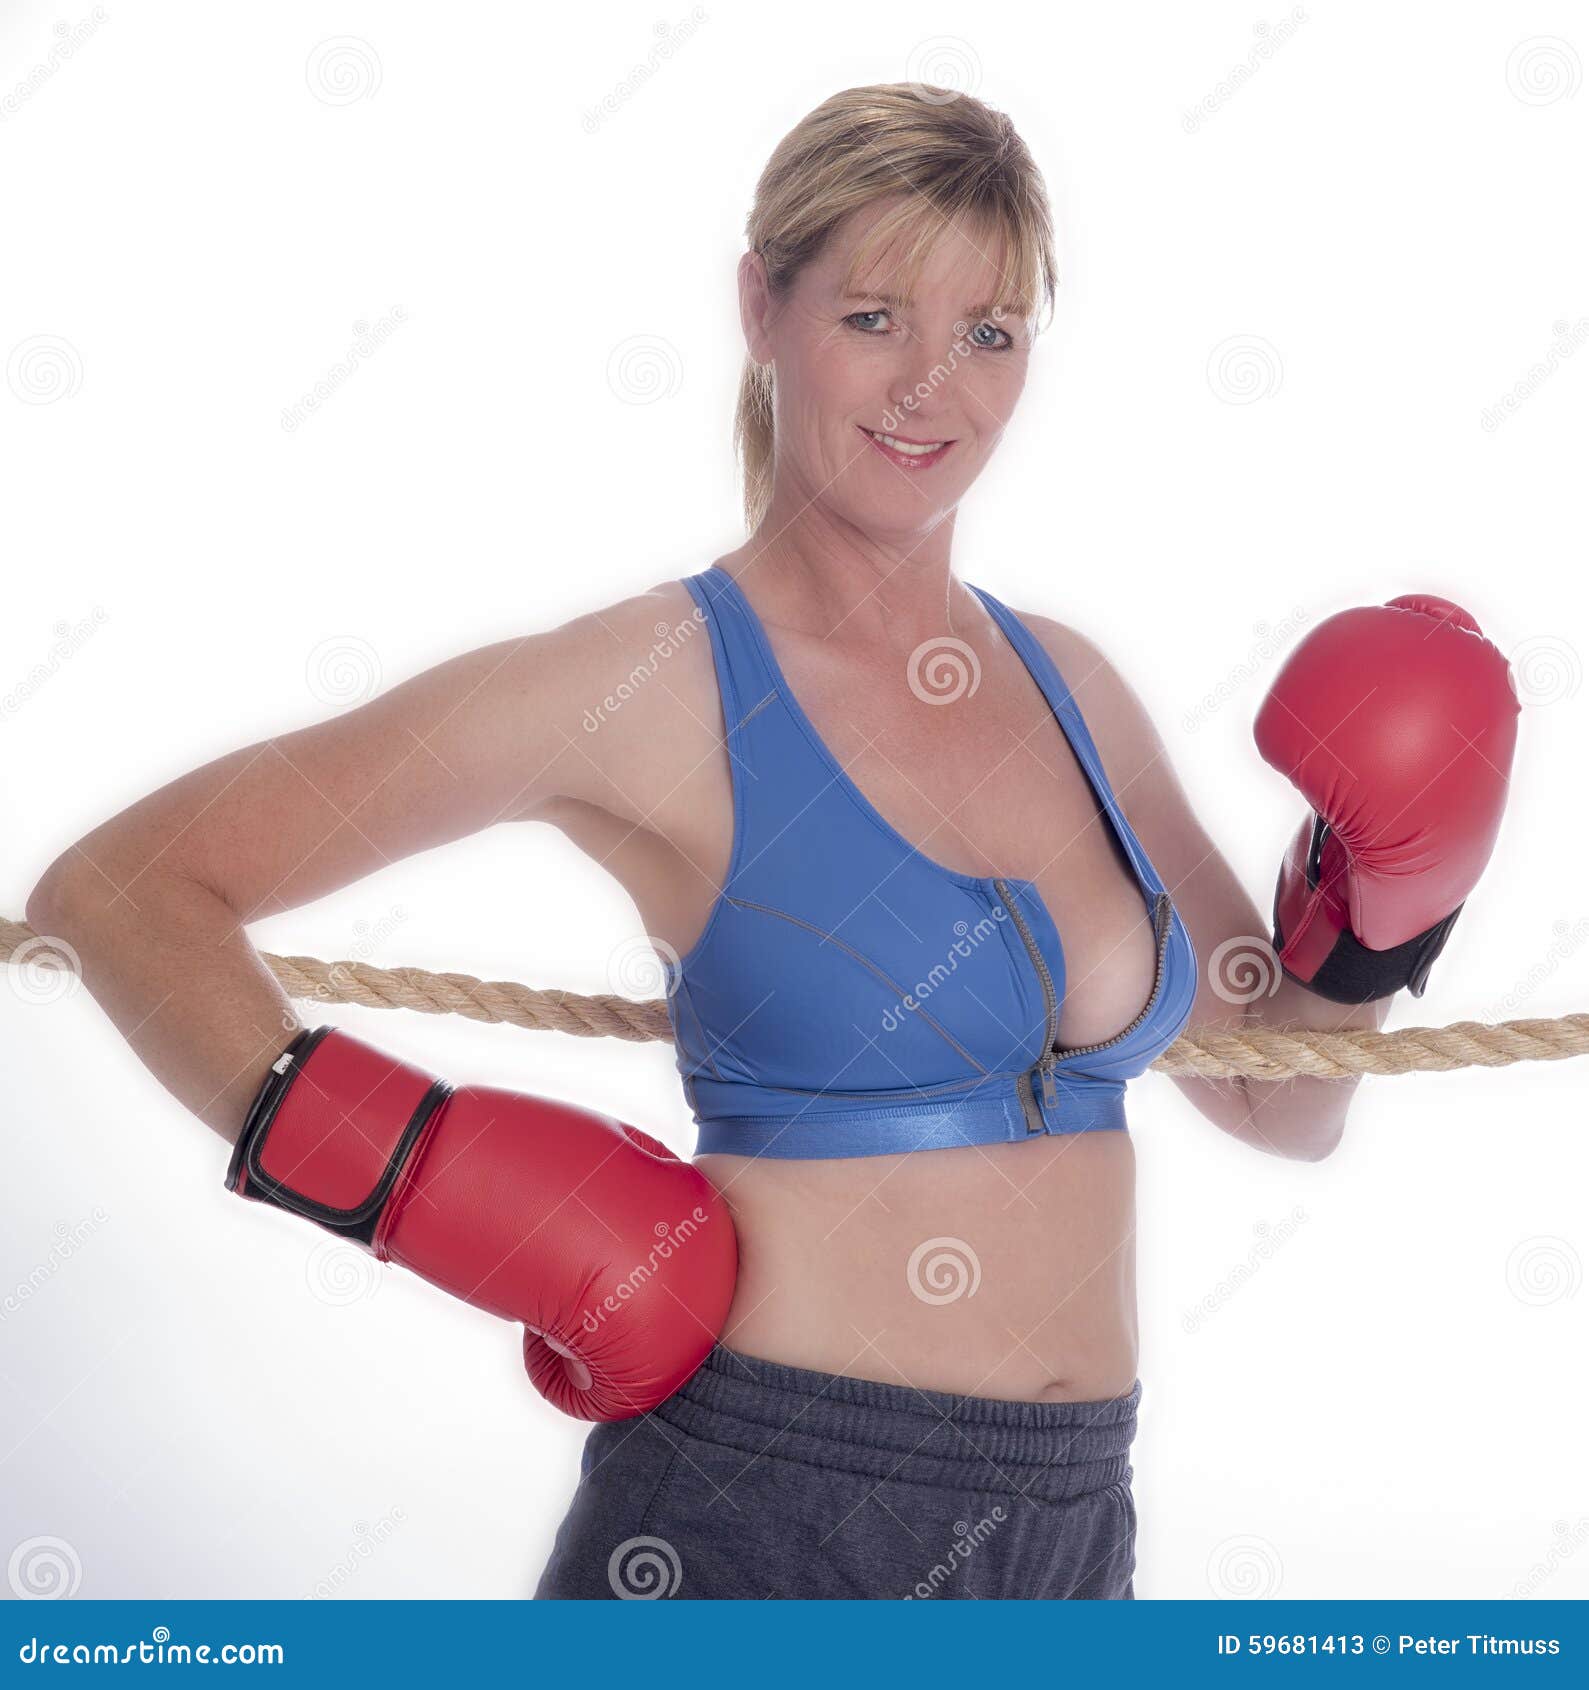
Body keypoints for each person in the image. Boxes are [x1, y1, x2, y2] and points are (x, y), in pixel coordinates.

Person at [25, 84, 1516, 1601]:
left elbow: (1283, 1104)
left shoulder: (1073, 690)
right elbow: (124, 889)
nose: (931, 385)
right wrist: (418, 1179)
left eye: (988, 333)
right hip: (765, 1514)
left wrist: (1389, 907)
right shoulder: (641, 688)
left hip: (1075, 1535)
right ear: (761, 305)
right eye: (874, 315)